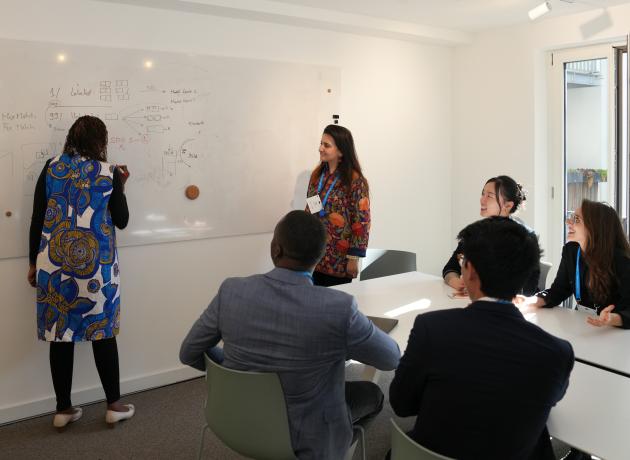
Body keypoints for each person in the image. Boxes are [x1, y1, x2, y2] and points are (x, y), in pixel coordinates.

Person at [180, 210, 400, 459]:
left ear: (275, 249)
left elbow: (189, 352)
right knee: (373, 395)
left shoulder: (232, 291)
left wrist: (231, 373)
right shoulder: (339, 308)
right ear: (319, 257)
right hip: (307, 437)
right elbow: (391, 359)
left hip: (235, 418)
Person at [390, 217, 574, 460]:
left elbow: (402, 405)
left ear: (470, 272)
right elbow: (546, 402)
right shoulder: (557, 353)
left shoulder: (431, 328)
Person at [27, 115, 134, 430]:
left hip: (53, 264)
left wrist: (33, 263)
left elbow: (37, 218)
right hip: (96, 268)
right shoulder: (109, 172)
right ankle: (114, 405)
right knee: (103, 332)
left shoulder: (51, 167)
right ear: (100, 141)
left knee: (60, 334)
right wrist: (121, 188)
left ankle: (63, 410)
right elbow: (123, 220)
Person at [530, 200, 630, 329]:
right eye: (571, 217)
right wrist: (531, 301)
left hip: (616, 332)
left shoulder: (623, 261)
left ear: (595, 227)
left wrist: (612, 319)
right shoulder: (571, 250)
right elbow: (559, 290)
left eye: (576, 220)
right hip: (585, 324)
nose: (568, 222)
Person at [443, 175, 540, 295]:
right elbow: (450, 268)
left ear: (508, 205)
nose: (482, 200)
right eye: (482, 194)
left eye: (489, 196)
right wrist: (456, 282)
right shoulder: (475, 232)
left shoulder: (524, 238)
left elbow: (527, 289)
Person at [305, 124, 370, 287]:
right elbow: (311, 211)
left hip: (340, 262)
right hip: (316, 257)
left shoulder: (355, 181)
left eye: (326, 145)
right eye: (320, 143)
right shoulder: (316, 176)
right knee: (315, 305)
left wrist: (354, 258)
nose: (320, 148)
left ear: (341, 151)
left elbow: (361, 222)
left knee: (333, 309)